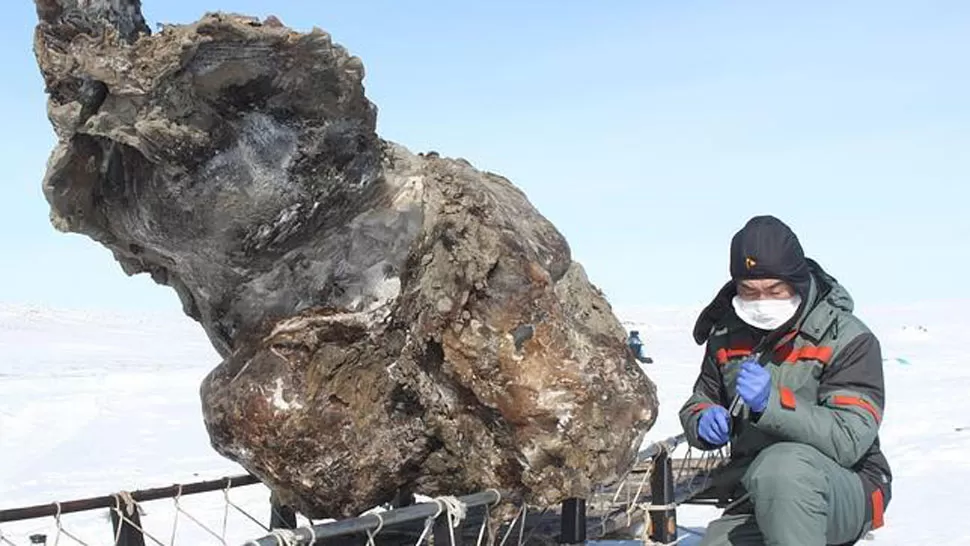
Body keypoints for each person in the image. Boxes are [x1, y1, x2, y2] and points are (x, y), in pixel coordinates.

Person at [679, 215, 891, 546]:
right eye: (748, 291)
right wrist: (701, 418)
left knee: (783, 468)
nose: (761, 302)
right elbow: (702, 398)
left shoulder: (848, 339)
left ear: (798, 281)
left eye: (774, 290)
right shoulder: (725, 334)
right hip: (755, 489)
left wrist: (771, 405)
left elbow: (849, 439)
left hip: (847, 487)